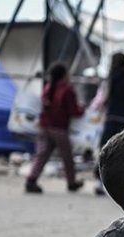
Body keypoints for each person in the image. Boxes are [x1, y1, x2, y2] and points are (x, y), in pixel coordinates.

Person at [24, 63, 84, 194]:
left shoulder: (47, 87)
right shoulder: (67, 90)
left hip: (44, 126)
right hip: (59, 128)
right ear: (64, 75)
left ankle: (31, 180)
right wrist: (82, 109)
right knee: (67, 156)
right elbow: (73, 111)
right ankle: (71, 182)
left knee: (41, 155)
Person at [96, 52, 124, 196]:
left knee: (106, 150)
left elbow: (105, 97)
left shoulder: (112, 76)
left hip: (111, 116)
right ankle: (123, 185)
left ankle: (99, 182)